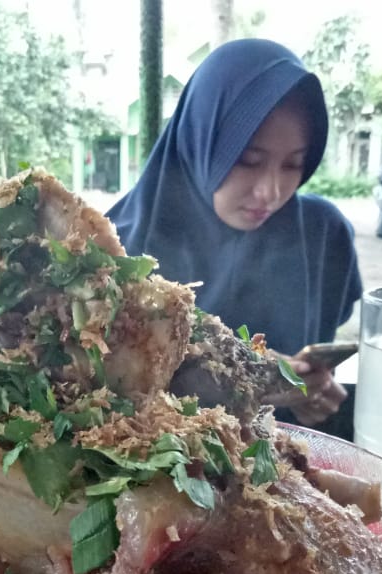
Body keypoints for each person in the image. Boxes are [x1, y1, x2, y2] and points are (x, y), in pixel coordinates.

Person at [106, 38, 362, 426]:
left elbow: (315, 373)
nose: (270, 192)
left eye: (293, 165)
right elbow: (109, 402)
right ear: (200, 141)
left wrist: (312, 395)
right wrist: (243, 377)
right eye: (247, 160)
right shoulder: (120, 252)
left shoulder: (322, 235)